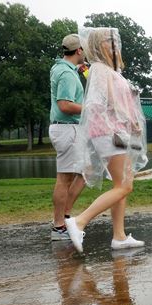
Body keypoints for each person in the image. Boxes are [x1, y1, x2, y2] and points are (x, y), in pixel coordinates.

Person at [65, 27, 148, 253]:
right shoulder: (101, 69)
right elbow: (110, 101)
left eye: (114, 40)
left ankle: (119, 236)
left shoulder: (111, 70)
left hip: (117, 132)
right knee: (124, 186)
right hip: (110, 132)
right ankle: (79, 221)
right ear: (99, 45)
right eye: (110, 41)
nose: (115, 44)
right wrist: (130, 119)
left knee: (121, 184)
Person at [49, 34, 87, 240]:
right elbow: (65, 105)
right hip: (67, 129)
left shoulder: (64, 69)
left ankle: (64, 217)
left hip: (69, 129)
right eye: (84, 49)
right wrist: (90, 108)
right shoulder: (66, 74)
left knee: (85, 172)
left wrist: (80, 70)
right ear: (79, 51)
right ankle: (58, 226)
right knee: (64, 179)